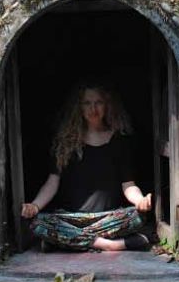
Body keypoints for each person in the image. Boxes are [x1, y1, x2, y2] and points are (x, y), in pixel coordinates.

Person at [21, 84, 153, 251]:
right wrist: (35, 206)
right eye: (87, 103)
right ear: (79, 107)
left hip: (107, 218)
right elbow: (52, 183)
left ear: (107, 105)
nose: (93, 108)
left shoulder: (119, 140)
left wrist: (140, 201)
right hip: (70, 217)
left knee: (137, 217)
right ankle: (109, 245)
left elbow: (128, 185)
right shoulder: (66, 142)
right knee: (38, 222)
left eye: (98, 102)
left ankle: (64, 241)